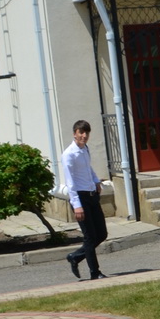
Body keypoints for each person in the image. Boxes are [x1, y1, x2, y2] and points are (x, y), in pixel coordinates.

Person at [61, 120, 108, 280]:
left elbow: (88, 168)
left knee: (101, 234)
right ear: (75, 133)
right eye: (81, 132)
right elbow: (70, 182)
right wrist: (77, 205)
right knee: (90, 237)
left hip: (92, 195)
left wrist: (96, 181)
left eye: (86, 133)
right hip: (80, 198)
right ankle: (95, 272)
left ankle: (75, 256)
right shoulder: (69, 154)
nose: (84, 135)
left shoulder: (85, 149)